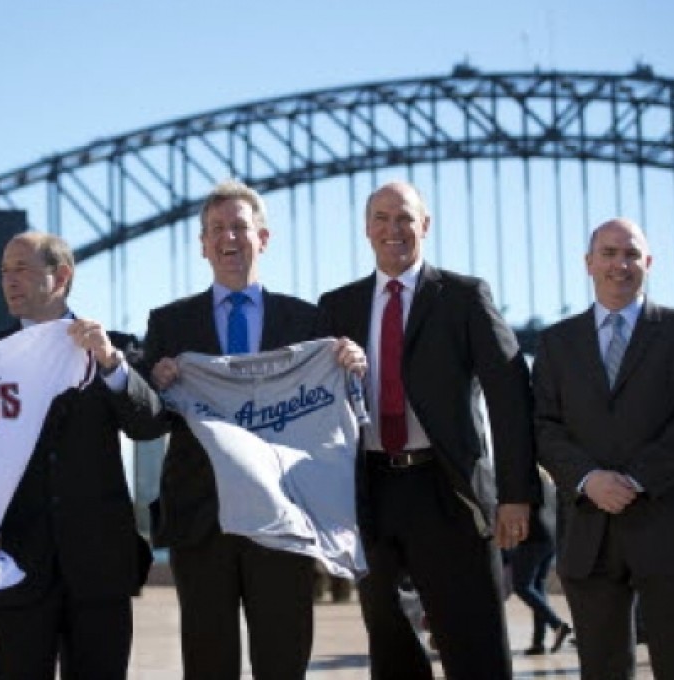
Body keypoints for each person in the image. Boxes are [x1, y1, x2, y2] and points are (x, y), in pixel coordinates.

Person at [142, 178, 364, 678]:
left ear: (262, 238)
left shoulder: (309, 321)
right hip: (202, 518)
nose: (229, 238)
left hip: (284, 515)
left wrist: (352, 368)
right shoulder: (169, 324)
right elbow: (150, 420)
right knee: (207, 660)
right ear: (203, 245)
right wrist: (155, 383)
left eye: (240, 227)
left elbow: (336, 415)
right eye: (217, 229)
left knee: (283, 656)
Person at [316, 180, 539, 679]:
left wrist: (515, 494)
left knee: (473, 640)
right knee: (387, 636)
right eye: (381, 218)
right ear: (366, 228)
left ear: (425, 226)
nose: (392, 230)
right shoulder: (336, 307)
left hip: (447, 487)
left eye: (404, 219)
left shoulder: (463, 297)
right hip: (370, 489)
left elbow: (510, 395)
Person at [0, 231, 164, 680]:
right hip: (13, 567)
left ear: (61, 276)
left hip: (98, 570)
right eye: (3, 271)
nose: (9, 281)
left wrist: (112, 365)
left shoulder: (113, 347)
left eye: (21, 268)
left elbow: (149, 423)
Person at [533, 218, 674, 680]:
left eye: (631, 254)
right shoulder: (556, 342)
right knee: (601, 669)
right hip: (588, 525)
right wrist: (590, 479)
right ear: (588, 263)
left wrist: (636, 480)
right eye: (608, 253)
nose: (619, 264)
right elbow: (542, 424)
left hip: (668, 526)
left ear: (648, 263)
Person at [509, 467, 571, 655]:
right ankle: (538, 642)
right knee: (537, 586)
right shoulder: (545, 478)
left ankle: (557, 624)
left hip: (534, 539)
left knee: (521, 586)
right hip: (549, 539)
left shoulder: (526, 477)